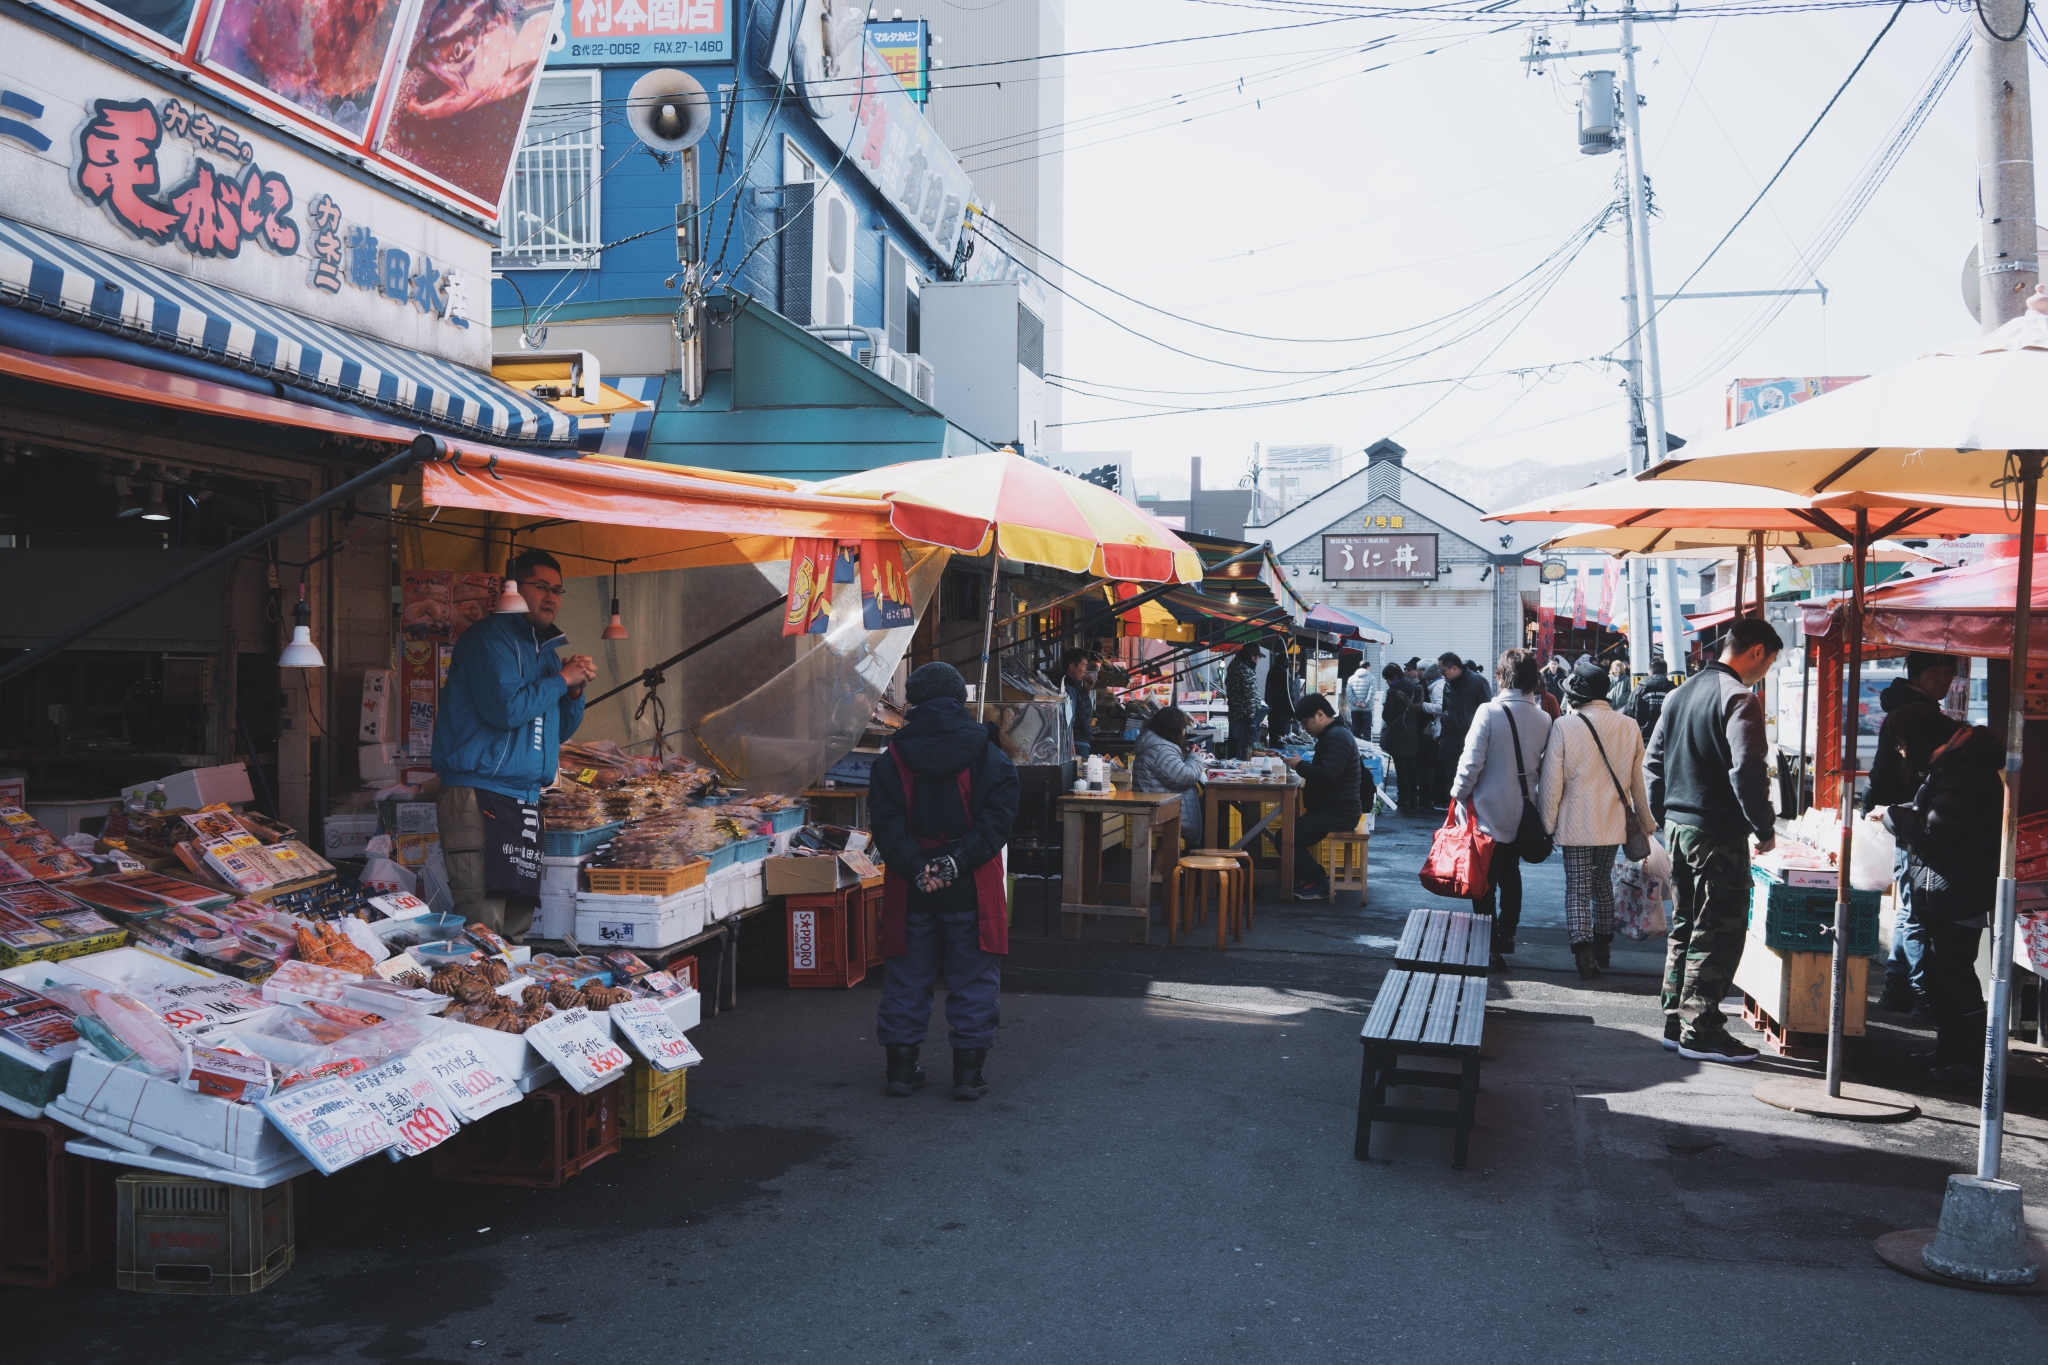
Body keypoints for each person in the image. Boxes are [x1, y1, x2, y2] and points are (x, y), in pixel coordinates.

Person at [871, 662, 1020, 1101]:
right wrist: (955, 862)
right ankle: (968, 1076)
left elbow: (885, 825)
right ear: (959, 701)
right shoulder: (989, 753)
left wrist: (920, 867)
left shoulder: (892, 757)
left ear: (913, 704)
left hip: (911, 883)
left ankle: (900, 1070)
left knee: (906, 975)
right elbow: (998, 823)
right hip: (971, 881)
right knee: (973, 976)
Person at [432, 548, 591, 944]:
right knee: (482, 921)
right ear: (515, 589)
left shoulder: (546, 652)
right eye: (541, 587)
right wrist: (560, 681)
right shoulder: (490, 639)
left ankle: (510, 1001)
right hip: (478, 793)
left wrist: (573, 693)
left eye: (557, 589)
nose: (551, 597)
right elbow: (506, 710)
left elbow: (554, 731)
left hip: (523, 799)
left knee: (517, 921)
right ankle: (478, 1000)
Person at [1644, 617, 1784, 1063]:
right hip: (1717, 832)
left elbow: (1654, 763)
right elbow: (1747, 771)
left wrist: (1662, 816)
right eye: (1770, 661)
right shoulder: (1740, 697)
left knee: (1685, 925)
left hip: (1678, 828)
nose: (1766, 671)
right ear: (1757, 651)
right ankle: (1701, 1030)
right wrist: (1763, 827)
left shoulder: (1679, 693)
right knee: (1718, 930)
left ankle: (1675, 1020)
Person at [1881, 725, 2002, 1076]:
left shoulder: (1962, 775)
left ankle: (1970, 1059)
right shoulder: (1958, 771)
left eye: (1903, 744)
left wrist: (1893, 815)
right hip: (1951, 890)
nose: (1902, 753)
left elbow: (1936, 829)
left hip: (1955, 892)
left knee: (1954, 978)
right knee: (1943, 976)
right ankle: (1952, 1050)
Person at [1540, 661, 1656, 980]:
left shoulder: (1565, 726)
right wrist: (1646, 823)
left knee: (1577, 886)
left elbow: (1552, 782)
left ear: (1577, 697)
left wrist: (1547, 824)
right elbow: (1638, 782)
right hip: (1612, 822)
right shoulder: (1628, 725)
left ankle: (1583, 953)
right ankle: (1604, 945)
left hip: (1575, 821)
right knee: (1602, 883)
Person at [1862, 652, 1963, 1018]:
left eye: (1949, 673)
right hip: (1909, 818)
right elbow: (1884, 769)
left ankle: (1899, 987)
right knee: (1913, 909)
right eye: (1937, 672)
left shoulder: (1911, 708)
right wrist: (1876, 810)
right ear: (1918, 675)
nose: (1945, 679)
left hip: (1904, 817)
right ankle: (1914, 991)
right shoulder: (1917, 714)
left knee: (1909, 907)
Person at [1450, 649, 1553, 969]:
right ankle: (1507, 934)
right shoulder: (1544, 718)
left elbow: (1471, 763)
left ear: (1501, 676)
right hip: (1522, 810)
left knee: (1483, 880)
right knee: (1511, 874)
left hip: (1485, 810)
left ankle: (1489, 945)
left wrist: (1457, 795)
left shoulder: (1488, 712)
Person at [1282, 694, 1363, 897]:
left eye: (1305, 722)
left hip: (1339, 812)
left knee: (1287, 838)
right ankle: (1315, 879)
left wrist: (1300, 765)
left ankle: (1319, 882)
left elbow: (1327, 776)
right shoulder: (1333, 734)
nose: (1304, 728)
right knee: (1288, 836)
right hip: (1333, 808)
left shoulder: (1336, 737)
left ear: (1320, 714)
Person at [1132, 706, 1207, 847]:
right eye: (1184, 727)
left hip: (1159, 804)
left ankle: (1194, 859)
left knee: (1208, 806)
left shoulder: (1156, 744)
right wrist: (1194, 757)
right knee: (1211, 812)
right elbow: (1185, 777)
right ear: (1175, 728)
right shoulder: (1161, 749)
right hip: (1161, 811)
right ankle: (1198, 860)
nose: (1185, 732)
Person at [1433, 651, 1493, 812]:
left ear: (1454, 668)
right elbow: (1446, 709)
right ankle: (1453, 811)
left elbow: (1488, 710)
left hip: (1470, 738)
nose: (1441, 674)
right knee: (1450, 776)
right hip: (1449, 737)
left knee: (1470, 777)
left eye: (1442, 670)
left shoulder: (1477, 681)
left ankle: (1470, 813)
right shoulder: (1448, 684)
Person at [1376, 663, 1424, 813]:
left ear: (1394, 677)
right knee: (1412, 765)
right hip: (1412, 730)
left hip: (1397, 732)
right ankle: (1413, 798)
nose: (1387, 682)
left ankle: (1403, 798)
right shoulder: (1415, 688)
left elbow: (1387, 716)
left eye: (1387, 679)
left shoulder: (1394, 692)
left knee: (1401, 767)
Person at [1625, 656, 1678, 742]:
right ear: (1666, 673)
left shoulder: (1639, 689)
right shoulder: (1674, 690)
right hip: (1668, 741)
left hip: (1643, 740)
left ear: (1649, 672)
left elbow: (1628, 714)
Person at [1060, 648, 1100, 758]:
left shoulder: (1075, 685)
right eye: (1083, 666)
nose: (1086, 670)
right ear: (1072, 667)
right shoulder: (1068, 687)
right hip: (1077, 742)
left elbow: (1079, 708)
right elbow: (1069, 719)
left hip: (1081, 740)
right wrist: (1071, 748)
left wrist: (1086, 690)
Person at [1225, 641, 1261, 760]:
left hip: (1235, 717)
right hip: (1244, 721)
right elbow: (1250, 697)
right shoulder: (1246, 671)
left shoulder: (1233, 669)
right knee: (1245, 755)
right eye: (1258, 657)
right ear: (1252, 656)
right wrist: (1252, 718)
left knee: (1235, 753)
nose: (1258, 660)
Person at [1265, 642, 1301, 746]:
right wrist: (1295, 714)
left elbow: (1267, 697)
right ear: (1286, 663)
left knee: (1274, 743)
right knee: (1283, 745)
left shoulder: (1271, 673)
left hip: (1273, 716)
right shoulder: (1285, 677)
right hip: (1284, 718)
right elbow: (1290, 697)